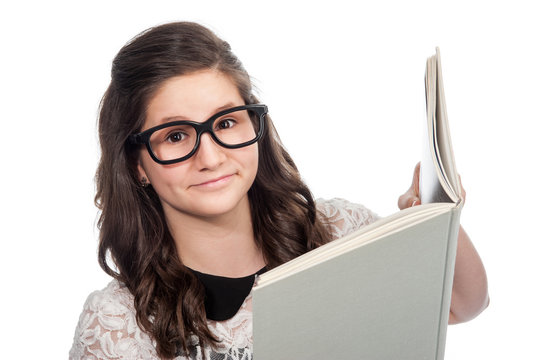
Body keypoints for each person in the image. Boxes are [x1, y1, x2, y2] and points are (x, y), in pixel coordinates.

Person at [69, 22, 489, 360]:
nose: (211, 157)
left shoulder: (338, 230)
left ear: (256, 126)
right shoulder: (117, 323)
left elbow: (462, 305)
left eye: (227, 122)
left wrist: (436, 217)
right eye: (176, 136)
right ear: (137, 164)